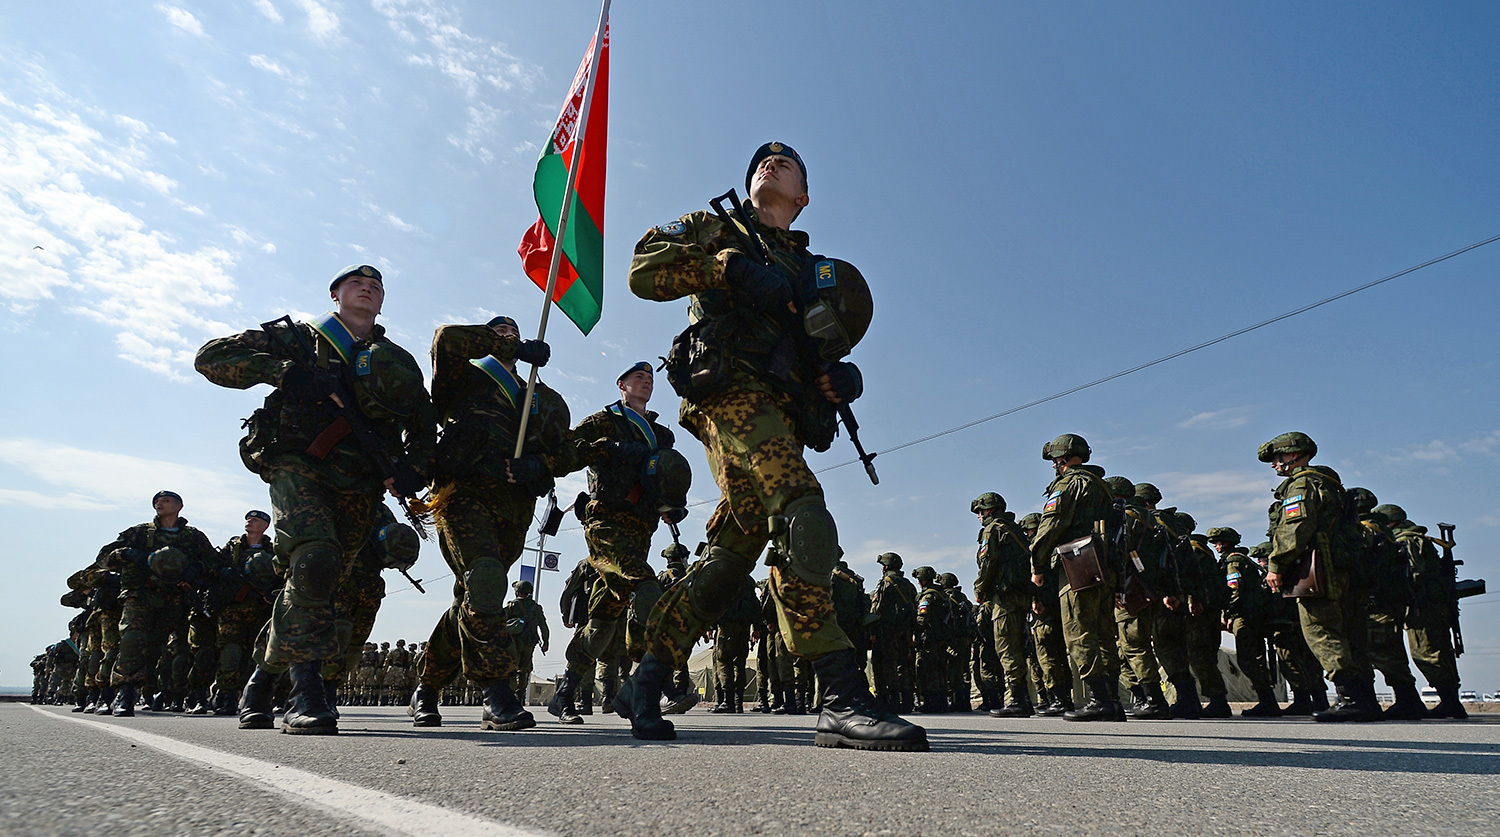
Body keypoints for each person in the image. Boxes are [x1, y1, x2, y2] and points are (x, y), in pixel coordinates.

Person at [625, 141, 923, 750]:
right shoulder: (717, 228)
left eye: (786, 164)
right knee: (801, 510)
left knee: (732, 553)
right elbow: (643, 270)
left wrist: (841, 378)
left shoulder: (815, 272)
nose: (770, 163)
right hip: (728, 393)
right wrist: (726, 268)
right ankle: (841, 696)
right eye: (762, 161)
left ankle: (648, 676)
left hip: (781, 411)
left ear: (804, 196)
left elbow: (826, 346)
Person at [196, 263, 437, 734]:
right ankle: (304, 692)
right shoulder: (303, 339)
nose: (367, 289)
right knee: (314, 561)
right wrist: (283, 373)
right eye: (356, 283)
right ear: (335, 295)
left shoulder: (395, 358)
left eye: (375, 286)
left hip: (361, 480)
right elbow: (211, 358)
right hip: (298, 464)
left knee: (318, 585)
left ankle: (261, 681)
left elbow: (422, 420)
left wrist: (414, 468)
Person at [403, 313, 566, 731]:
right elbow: (447, 339)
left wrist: (539, 467)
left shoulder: (539, 397)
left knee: (474, 596)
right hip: (462, 492)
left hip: (512, 503)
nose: (507, 334)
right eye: (498, 331)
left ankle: (427, 685)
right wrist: (505, 348)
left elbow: (560, 450)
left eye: (513, 331)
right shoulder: (465, 373)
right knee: (487, 578)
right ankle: (495, 690)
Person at [547, 362, 691, 725]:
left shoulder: (660, 433)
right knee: (646, 588)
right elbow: (568, 451)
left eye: (650, 379)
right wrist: (607, 448)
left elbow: (663, 478)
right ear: (621, 385)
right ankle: (649, 690)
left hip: (642, 526)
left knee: (602, 623)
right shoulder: (603, 421)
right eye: (638, 378)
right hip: (606, 522)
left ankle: (564, 692)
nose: (646, 382)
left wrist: (671, 505)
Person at [1259, 431, 1379, 722]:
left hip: (1319, 571)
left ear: (1294, 454)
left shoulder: (1303, 483)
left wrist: (1276, 565)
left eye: (1278, 457)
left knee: (1321, 630)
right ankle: (1365, 700)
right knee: (1350, 633)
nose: (1276, 464)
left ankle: (1350, 698)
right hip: (1341, 568)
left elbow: (1294, 529)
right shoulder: (1331, 484)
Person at [93, 490, 218, 717]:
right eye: (157, 501)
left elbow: (215, 564)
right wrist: (128, 554)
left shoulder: (193, 537)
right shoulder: (140, 533)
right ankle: (123, 694)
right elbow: (104, 558)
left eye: (166, 500)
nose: (160, 503)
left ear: (180, 506)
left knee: (155, 648)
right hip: (141, 594)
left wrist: (195, 571)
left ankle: (150, 690)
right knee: (131, 639)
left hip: (175, 598)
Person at [1030, 434, 1122, 722]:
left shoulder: (1069, 483)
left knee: (1078, 631)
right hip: (1103, 566)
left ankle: (1099, 700)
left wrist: (1038, 565)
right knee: (1104, 633)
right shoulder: (1102, 486)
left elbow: (1051, 526)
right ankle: (1112, 700)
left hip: (1076, 563)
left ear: (1061, 459)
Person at [1378, 504, 1468, 719]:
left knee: (1428, 653)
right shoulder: (1416, 539)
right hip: (1425, 605)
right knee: (1434, 651)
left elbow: (1414, 576)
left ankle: (1450, 702)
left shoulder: (1407, 540)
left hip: (1421, 606)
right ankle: (1450, 702)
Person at [1350, 489, 1426, 720]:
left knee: (1382, 651)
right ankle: (1409, 701)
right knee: (1386, 650)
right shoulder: (1379, 529)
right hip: (1383, 600)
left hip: (1378, 602)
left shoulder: (1366, 529)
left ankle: (1408, 700)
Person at [207, 510, 280, 715]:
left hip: (260, 607)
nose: (249, 521)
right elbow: (213, 569)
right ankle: (226, 695)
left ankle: (250, 696)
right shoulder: (232, 549)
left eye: (255, 519)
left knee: (255, 653)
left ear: (265, 526)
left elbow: (282, 575)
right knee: (230, 650)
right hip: (233, 608)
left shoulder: (273, 551)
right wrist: (227, 574)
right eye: (248, 519)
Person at [971, 492, 1035, 718]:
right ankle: (1024, 699)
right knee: (1018, 646)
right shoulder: (1014, 528)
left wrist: (980, 589)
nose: (979, 516)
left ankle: (1018, 700)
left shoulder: (993, 529)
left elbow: (988, 562)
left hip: (1004, 597)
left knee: (1007, 647)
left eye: (981, 511)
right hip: (1021, 595)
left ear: (990, 510)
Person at [1209, 527, 1280, 717]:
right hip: (1251, 615)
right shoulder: (1242, 560)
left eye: (1217, 541)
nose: (1215, 545)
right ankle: (1268, 700)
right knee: (1252, 657)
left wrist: (1229, 612)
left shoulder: (1233, 561)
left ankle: (1267, 701)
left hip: (1245, 616)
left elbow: (1234, 589)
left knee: (1249, 659)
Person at [869, 552, 918, 712]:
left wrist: (871, 629)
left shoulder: (885, 583)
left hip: (887, 631)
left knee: (886, 666)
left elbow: (876, 610)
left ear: (887, 566)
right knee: (902, 665)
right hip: (905, 632)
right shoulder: (909, 585)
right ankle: (907, 702)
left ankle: (890, 702)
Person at [504, 580, 550, 702]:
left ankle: (510, 693)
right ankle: (520, 695)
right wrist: (546, 642)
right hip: (530, 642)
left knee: (512, 667)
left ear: (517, 592)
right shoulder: (536, 607)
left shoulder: (511, 606)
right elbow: (543, 626)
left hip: (513, 642)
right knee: (524, 669)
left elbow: (501, 623)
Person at [911, 566, 950, 713]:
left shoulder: (927, 596)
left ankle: (931, 703)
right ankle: (941, 702)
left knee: (928, 670)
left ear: (923, 580)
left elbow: (922, 619)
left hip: (930, 638)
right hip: (941, 637)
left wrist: (912, 627)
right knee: (940, 670)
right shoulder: (942, 594)